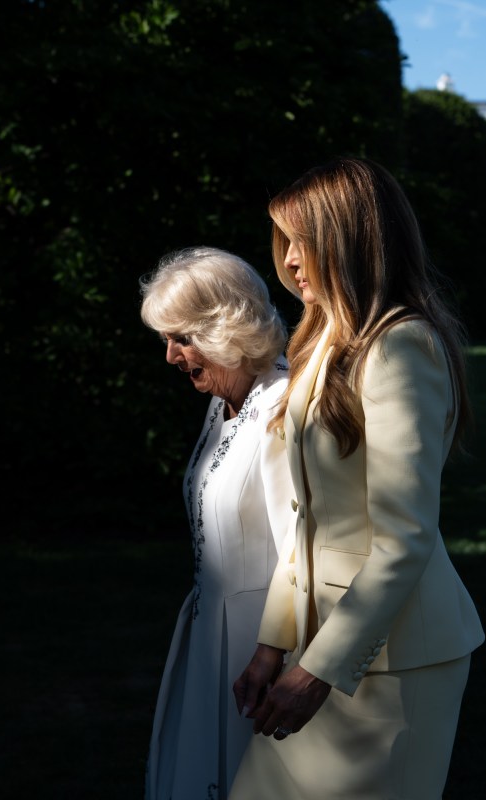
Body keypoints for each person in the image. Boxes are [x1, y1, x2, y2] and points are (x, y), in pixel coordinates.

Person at [229, 158, 485, 799]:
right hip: (321, 648)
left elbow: (404, 537)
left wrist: (315, 671)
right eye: (281, 243)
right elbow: (309, 521)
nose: (287, 261)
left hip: (394, 663)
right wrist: (273, 644)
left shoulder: (402, 347)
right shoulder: (322, 345)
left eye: (302, 242)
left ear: (349, 238)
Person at [140, 246, 295, 800]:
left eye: (181, 338)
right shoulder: (226, 400)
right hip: (210, 635)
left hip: (262, 651)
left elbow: (304, 550)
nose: (171, 356)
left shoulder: (285, 405)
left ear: (225, 327)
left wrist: (272, 655)